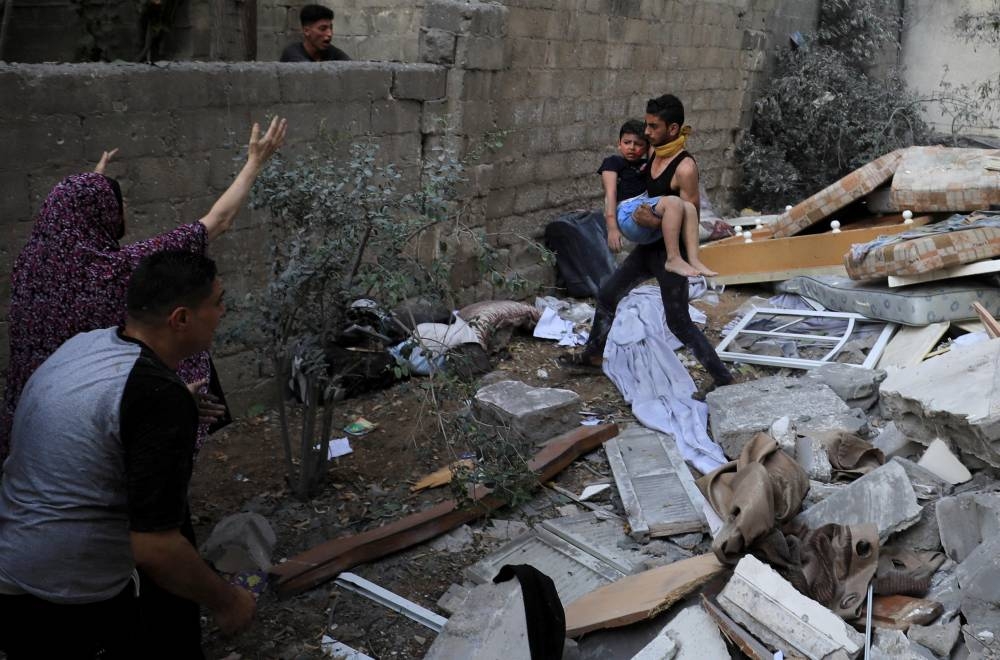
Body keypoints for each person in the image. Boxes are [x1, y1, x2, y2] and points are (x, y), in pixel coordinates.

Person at [0, 251, 255, 658]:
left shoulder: (88, 345)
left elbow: (100, 420)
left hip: (14, 561)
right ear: (182, 319)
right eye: (217, 302)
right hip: (67, 590)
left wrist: (171, 404)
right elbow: (156, 548)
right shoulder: (156, 396)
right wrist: (228, 602)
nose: (223, 312)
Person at [0, 117, 287, 461]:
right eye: (118, 207)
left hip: (31, 422)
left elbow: (73, 213)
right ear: (104, 214)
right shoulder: (113, 271)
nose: (124, 213)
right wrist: (255, 162)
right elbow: (219, 220)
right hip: (98, 425)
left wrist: (93, 183)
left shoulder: (28, 268)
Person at [565, 94, 733, 389]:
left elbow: (688, 214)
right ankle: (593, 356)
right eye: (646, 125)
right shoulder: (654, 152)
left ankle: (723, 379)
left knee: (677, 321)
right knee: (607, 294)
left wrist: (653, 222)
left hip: (671, 253)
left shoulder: (685, 168)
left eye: (654, 126)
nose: (647, 132)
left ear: (673, 129)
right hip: (649, 247)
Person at [599, 119, 715, 277]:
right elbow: (610, 194)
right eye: (627, 142)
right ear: (619, 143)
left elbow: (660, 147)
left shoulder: (649, 164)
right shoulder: (613, 162)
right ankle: (673, 259)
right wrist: (612, 228)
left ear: (646, 147)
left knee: (688, 207)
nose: (632, 147)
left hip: (650, 218)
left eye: (638, 144)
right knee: (674, 203)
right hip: (628, 213)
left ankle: (693, 259)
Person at [280, 4, 351, 62]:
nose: (329, 34)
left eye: (331, 28)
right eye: (323, 29)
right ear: (306, 31)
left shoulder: (332, 52)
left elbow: (352, 67)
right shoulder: (293, 53)